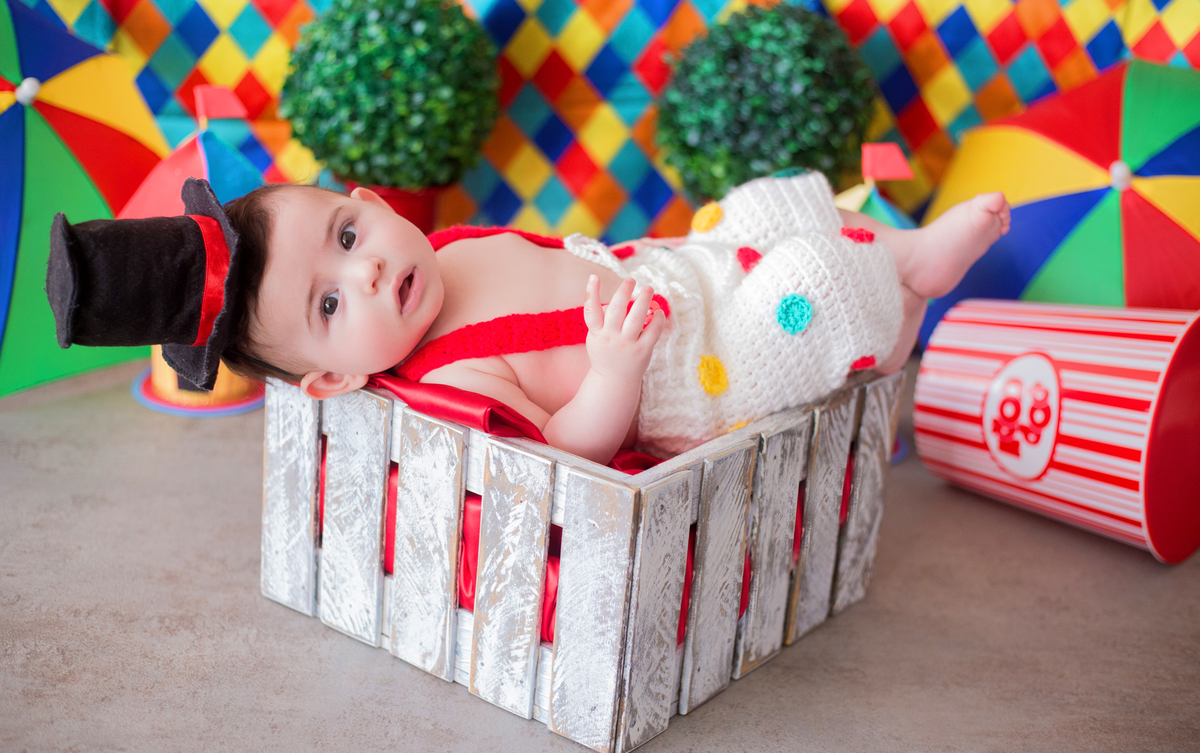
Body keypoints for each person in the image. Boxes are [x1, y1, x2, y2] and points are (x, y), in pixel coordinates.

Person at [46, 173, 1009, 463]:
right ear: (335, 378)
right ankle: (909, 279)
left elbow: (567, 259)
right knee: (805, 285)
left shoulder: (454, 248)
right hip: (702, 375)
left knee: (763, 208)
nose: (371, 266)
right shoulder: (448, 379)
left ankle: (902, 258)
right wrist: (616, 375)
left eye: (346, 232)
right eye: (331, 303)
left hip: (684, 268)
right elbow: (570, 451)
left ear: (363, 198)